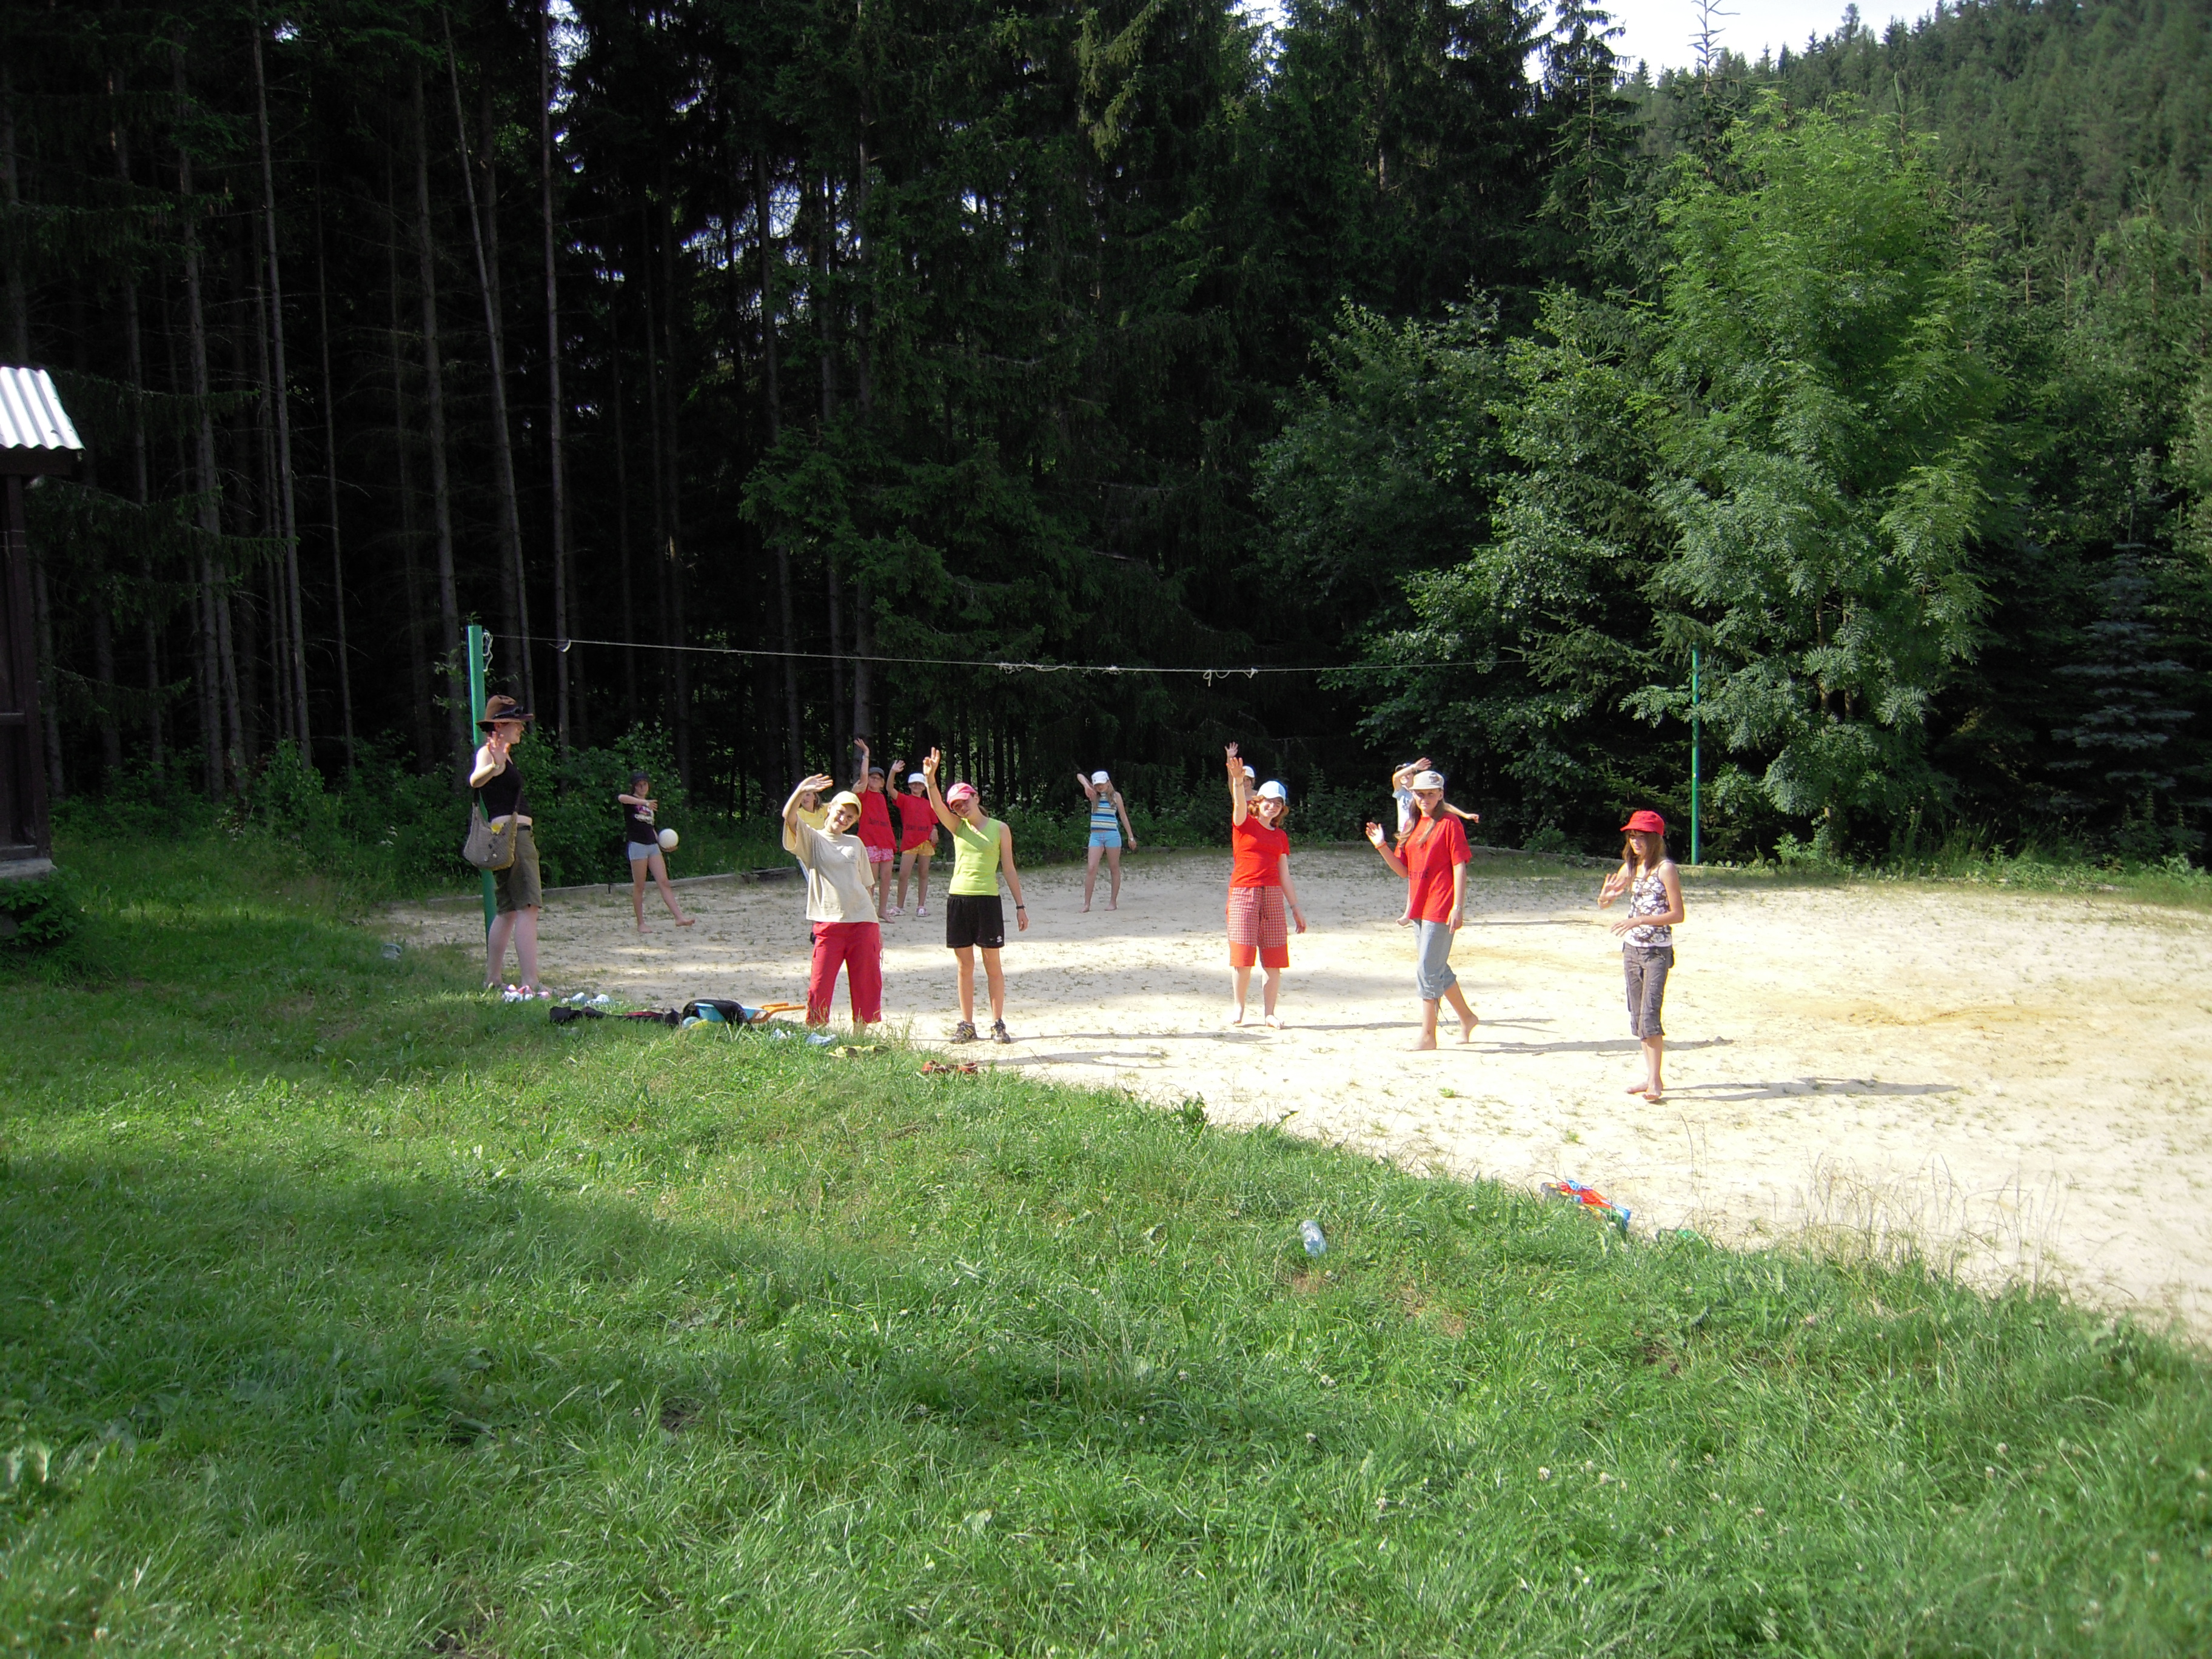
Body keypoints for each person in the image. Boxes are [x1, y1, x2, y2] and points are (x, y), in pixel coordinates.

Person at [1364, 769, 1478, 1050]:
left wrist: (1458, 906)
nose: (1425, 798)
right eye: (1419, 794)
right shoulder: (1411, 825)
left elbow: (1459, 865)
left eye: (1430, 793)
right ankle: (1467, 1018)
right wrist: (1381, 846)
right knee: (1435, 967)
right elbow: (1403, 870)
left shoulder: (1450, 823)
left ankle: (1428, 1036)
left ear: (1440, 795)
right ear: (1413, 795)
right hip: (1419, 906)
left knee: (1427, 970)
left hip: (1442, 904)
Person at [920, 747, 1028, 1043]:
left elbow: (1009, 869)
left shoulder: (1000, 829)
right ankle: (967, 1024)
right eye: (956, 806)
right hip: (959, 900)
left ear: (976, 798)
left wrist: (1020, 906)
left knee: (993, 965)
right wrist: (931, 779)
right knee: (964, 966)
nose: (960, 808)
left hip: (987, 901)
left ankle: (998, 1023)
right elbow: (937, 807)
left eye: (964, 802)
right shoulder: (958, 828)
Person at [780, 773, 882, 1028]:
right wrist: (801, 790)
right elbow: (788, 817)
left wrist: (876, 928)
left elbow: (867, 886)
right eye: (841, 812)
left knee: (866, 982)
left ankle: (860, 1034)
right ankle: (816, 1031)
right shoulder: (813, 839)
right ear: (829, 809)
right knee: (820, 983)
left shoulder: (856, 843)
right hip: (828, 923)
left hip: (863, 922)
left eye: (850, 817)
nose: (843, 819)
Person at [1598, 809, 1686, 1101]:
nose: (1635, 841)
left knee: (1650, 1016)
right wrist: (1605, 898)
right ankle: (1650, 1078)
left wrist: (1639, 920)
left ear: (1655, 839)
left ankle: (1655, 1081)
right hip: (1632, 950)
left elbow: (1678, 914)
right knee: (1637, 1017)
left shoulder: (1665, 869)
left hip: (1656, 952)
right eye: (1632, 836)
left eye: (1641, 837)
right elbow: (1605, 902)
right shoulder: (1631, 867)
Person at [1223, 743, 1306, 1028]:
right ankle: (1239, 1008)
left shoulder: (1280, 836)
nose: (1273, 806)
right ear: (1259, 801)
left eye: (1278, 803)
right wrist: (1237, 780)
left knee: (1273, 959)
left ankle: (1269, 1013)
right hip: (1243, 894)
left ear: (1282, 808)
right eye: (1268, 801)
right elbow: (1238, 804)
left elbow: (1285, 875)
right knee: (1243, 957)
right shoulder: (1244, 823)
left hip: (1271, 897)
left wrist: (1295, 907)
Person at [468, 694, 546, 996]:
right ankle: (531, 980)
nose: (521, 728)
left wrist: (501, 762)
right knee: (528, 907)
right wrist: (495, 766)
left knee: (508, 910)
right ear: (500, 726)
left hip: (505, 837)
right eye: (517, 723)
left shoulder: (500, 753)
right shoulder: (489, 753)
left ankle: (493, 978)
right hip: (515, 837)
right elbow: (475, 781)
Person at [619, 770, 695, 933]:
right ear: (634, 787)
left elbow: (651, 828)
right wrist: (644, 803)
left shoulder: (650, 806)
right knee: (640, 886)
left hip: (652, 846)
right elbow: (621, 798)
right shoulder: (632, 802)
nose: (642, 787)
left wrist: (663, 845)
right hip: (638, 846)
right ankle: (641, 924)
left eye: (645, 784)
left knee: (664, 882)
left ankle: (679, 918)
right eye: (639, 785)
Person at [1077, 768, 1138, 912]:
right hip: (1096, 836)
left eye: (1102, 784)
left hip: (1112, 835)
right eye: (1097, 785)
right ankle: (1087, 903)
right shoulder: (1093, 794)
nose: (1099, 787)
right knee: (1091, 868)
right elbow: (1079, 775)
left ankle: (1113, 902)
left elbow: (1123, 817)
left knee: (1114, 867)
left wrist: (1131, 837)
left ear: (1108, 782)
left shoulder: (1116, 796)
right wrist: (1086, 786)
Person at [851, 739, 898, 917]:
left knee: (886, 879)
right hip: (870, 841)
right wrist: (866, 755)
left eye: (878, 778)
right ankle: (869, 912)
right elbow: (863, 776)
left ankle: (882, 910)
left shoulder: (881, 797)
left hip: (886, 842)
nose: (874, 780)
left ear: (882, 783)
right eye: (872, 777)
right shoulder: (863, 794)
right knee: (871, 880)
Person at [889, 762, 939, 918]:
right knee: (904, 874)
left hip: (926, 842)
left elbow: (933, 822)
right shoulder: (905, 800)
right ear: (910, 786)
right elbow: (890, 789)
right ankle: (900, 906)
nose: (917, 786)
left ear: (924, 787)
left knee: (924, 874)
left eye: (920, 784)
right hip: (910, 841)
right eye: (914, 784)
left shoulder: (929, 804)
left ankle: (921, 906)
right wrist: (893, 772)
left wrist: (935, 830)